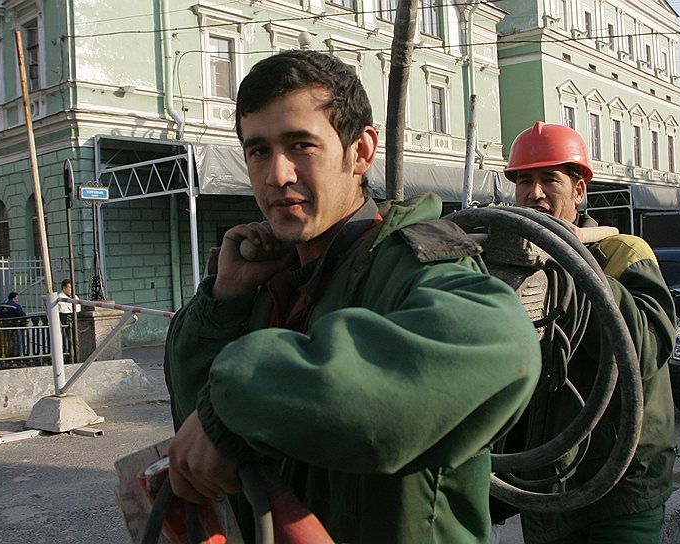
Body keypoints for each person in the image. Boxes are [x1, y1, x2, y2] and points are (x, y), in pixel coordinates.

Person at [164, 49, 541, 543]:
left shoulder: (412, 264)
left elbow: (503, 348)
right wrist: (224, 300)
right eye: (258, 151)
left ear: (360, 151)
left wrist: (241, 398)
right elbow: (196, 434)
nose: (277, 174)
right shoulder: (269, 283)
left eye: (300, 145)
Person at [502, 121, 677, 543]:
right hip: (548, 485)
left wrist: (577, 266)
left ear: (579, 191)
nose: (535, 193)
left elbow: (647, 350)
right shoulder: (518, 264)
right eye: (524, 181)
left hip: (621, 486)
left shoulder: (623, 254)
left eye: (550, 179)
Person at [0, 291, 27, 356]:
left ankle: (8, 355)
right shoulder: (16, 306)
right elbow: (22, 316)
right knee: (17, 342)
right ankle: (17, 355)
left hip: (4, 327)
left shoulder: (2, 305)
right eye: (17, 298)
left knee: (6, 343)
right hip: (14, 326)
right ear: (14, 298)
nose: (18, 300)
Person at [58, 279, 80, 361]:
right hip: (66, 323)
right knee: (68, 341)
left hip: (75, 322)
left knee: (75, 341)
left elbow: (78, 308)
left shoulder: (75, 296)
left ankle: (76, 356)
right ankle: (69, 358)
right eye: (70, 287)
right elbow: (63, 310)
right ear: (64, 288)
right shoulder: (60, 297)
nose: (72, 289)